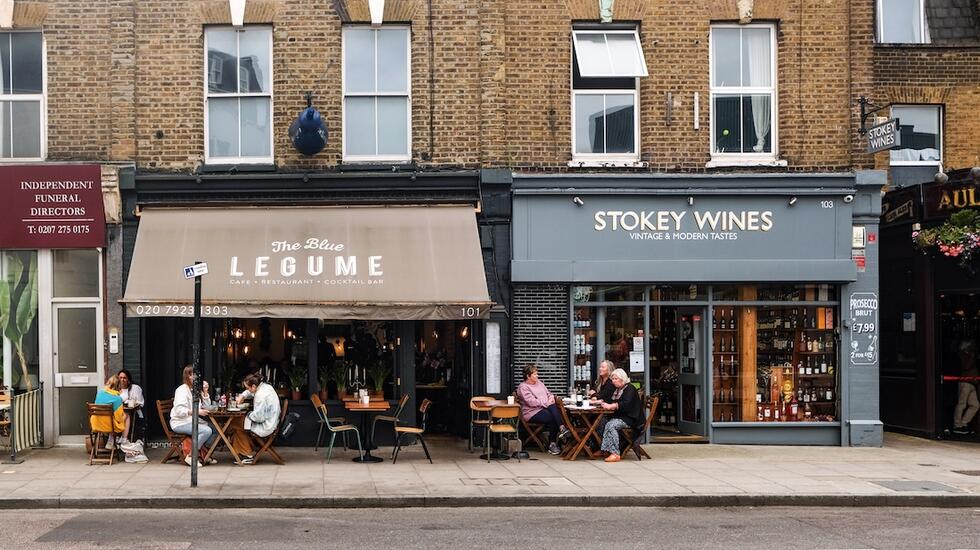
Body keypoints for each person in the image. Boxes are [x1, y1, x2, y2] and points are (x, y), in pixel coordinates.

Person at [170, 365, 218, 467]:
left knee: (215, 430)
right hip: (180, 422)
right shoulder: (182, 390)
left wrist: (205, 391)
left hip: (192, 420)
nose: (196, 377)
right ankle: (191, 456)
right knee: (206, 431)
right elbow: (179, 410)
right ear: (187, 376)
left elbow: (206, 405)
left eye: (197, 375)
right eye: (192, 375)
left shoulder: (195, 389)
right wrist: (197, 412)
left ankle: (204, 454)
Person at [516, 364, 566, 455]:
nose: (537, 376)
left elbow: (548, 393)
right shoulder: (523, 387)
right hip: (531, 412)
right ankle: (555, 440)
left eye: (537, 374)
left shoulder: (539, 383)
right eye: (535, 374)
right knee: (553, 416)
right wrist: (546, 402)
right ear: (528, 376)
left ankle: (559, 434)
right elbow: (531, 402)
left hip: (544, 409)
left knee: (553, 410)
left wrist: (551, 398)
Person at [232, 373, 281, 464]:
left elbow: (258, 417)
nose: (247, 390)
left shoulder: (260, 396)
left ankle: (247, 454)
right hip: (272, 421)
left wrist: (248, 414)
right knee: (238, 424)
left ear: (254, 386)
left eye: (247, 388)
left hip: (266, 425)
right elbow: (251, 392)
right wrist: (243, 395)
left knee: (236, 424)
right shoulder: (265, 387)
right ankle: (243, 451)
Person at [598, 368, 643, 463]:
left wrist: (612, 406)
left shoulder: (630, 389)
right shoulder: (618, 389)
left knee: (611, 425)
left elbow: (626, 404)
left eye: (615, 379)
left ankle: (615, 453)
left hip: (631, 418)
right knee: (601, 421)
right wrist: (602, 402)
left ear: (622, 379)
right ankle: (605, 450)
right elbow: (612, 400)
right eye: (612, 379)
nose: (613, 381)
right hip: (622, 416)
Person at [92, 375, 127, 448]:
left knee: (109, 419)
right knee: (125, 416)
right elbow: (119, 418)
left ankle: (110, 441)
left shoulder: (100, 393)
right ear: (119, 386)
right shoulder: (117, 399)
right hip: (108, 426)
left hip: (96, 423)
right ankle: (121, 441)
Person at [952, 340, 979, 435]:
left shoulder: (971, 355)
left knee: (975, 405)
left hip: (972, 383)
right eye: (972, 346)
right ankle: (957, 425)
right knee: (962, 404)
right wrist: (971, 356)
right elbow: (966, 367)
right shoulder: (963, 355)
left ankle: (963, 423)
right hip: (965, 382)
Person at [117, 369, 145, 443]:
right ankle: (117, 438)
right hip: (118, 413)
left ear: (128, 379)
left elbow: (140, 403)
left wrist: (131, 403)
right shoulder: (116, 389)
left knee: (126, 414)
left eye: (124, 378)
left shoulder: (135, 388)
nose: (122, 380)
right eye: (120, 378)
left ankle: (123, 438)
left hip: (133, 413)